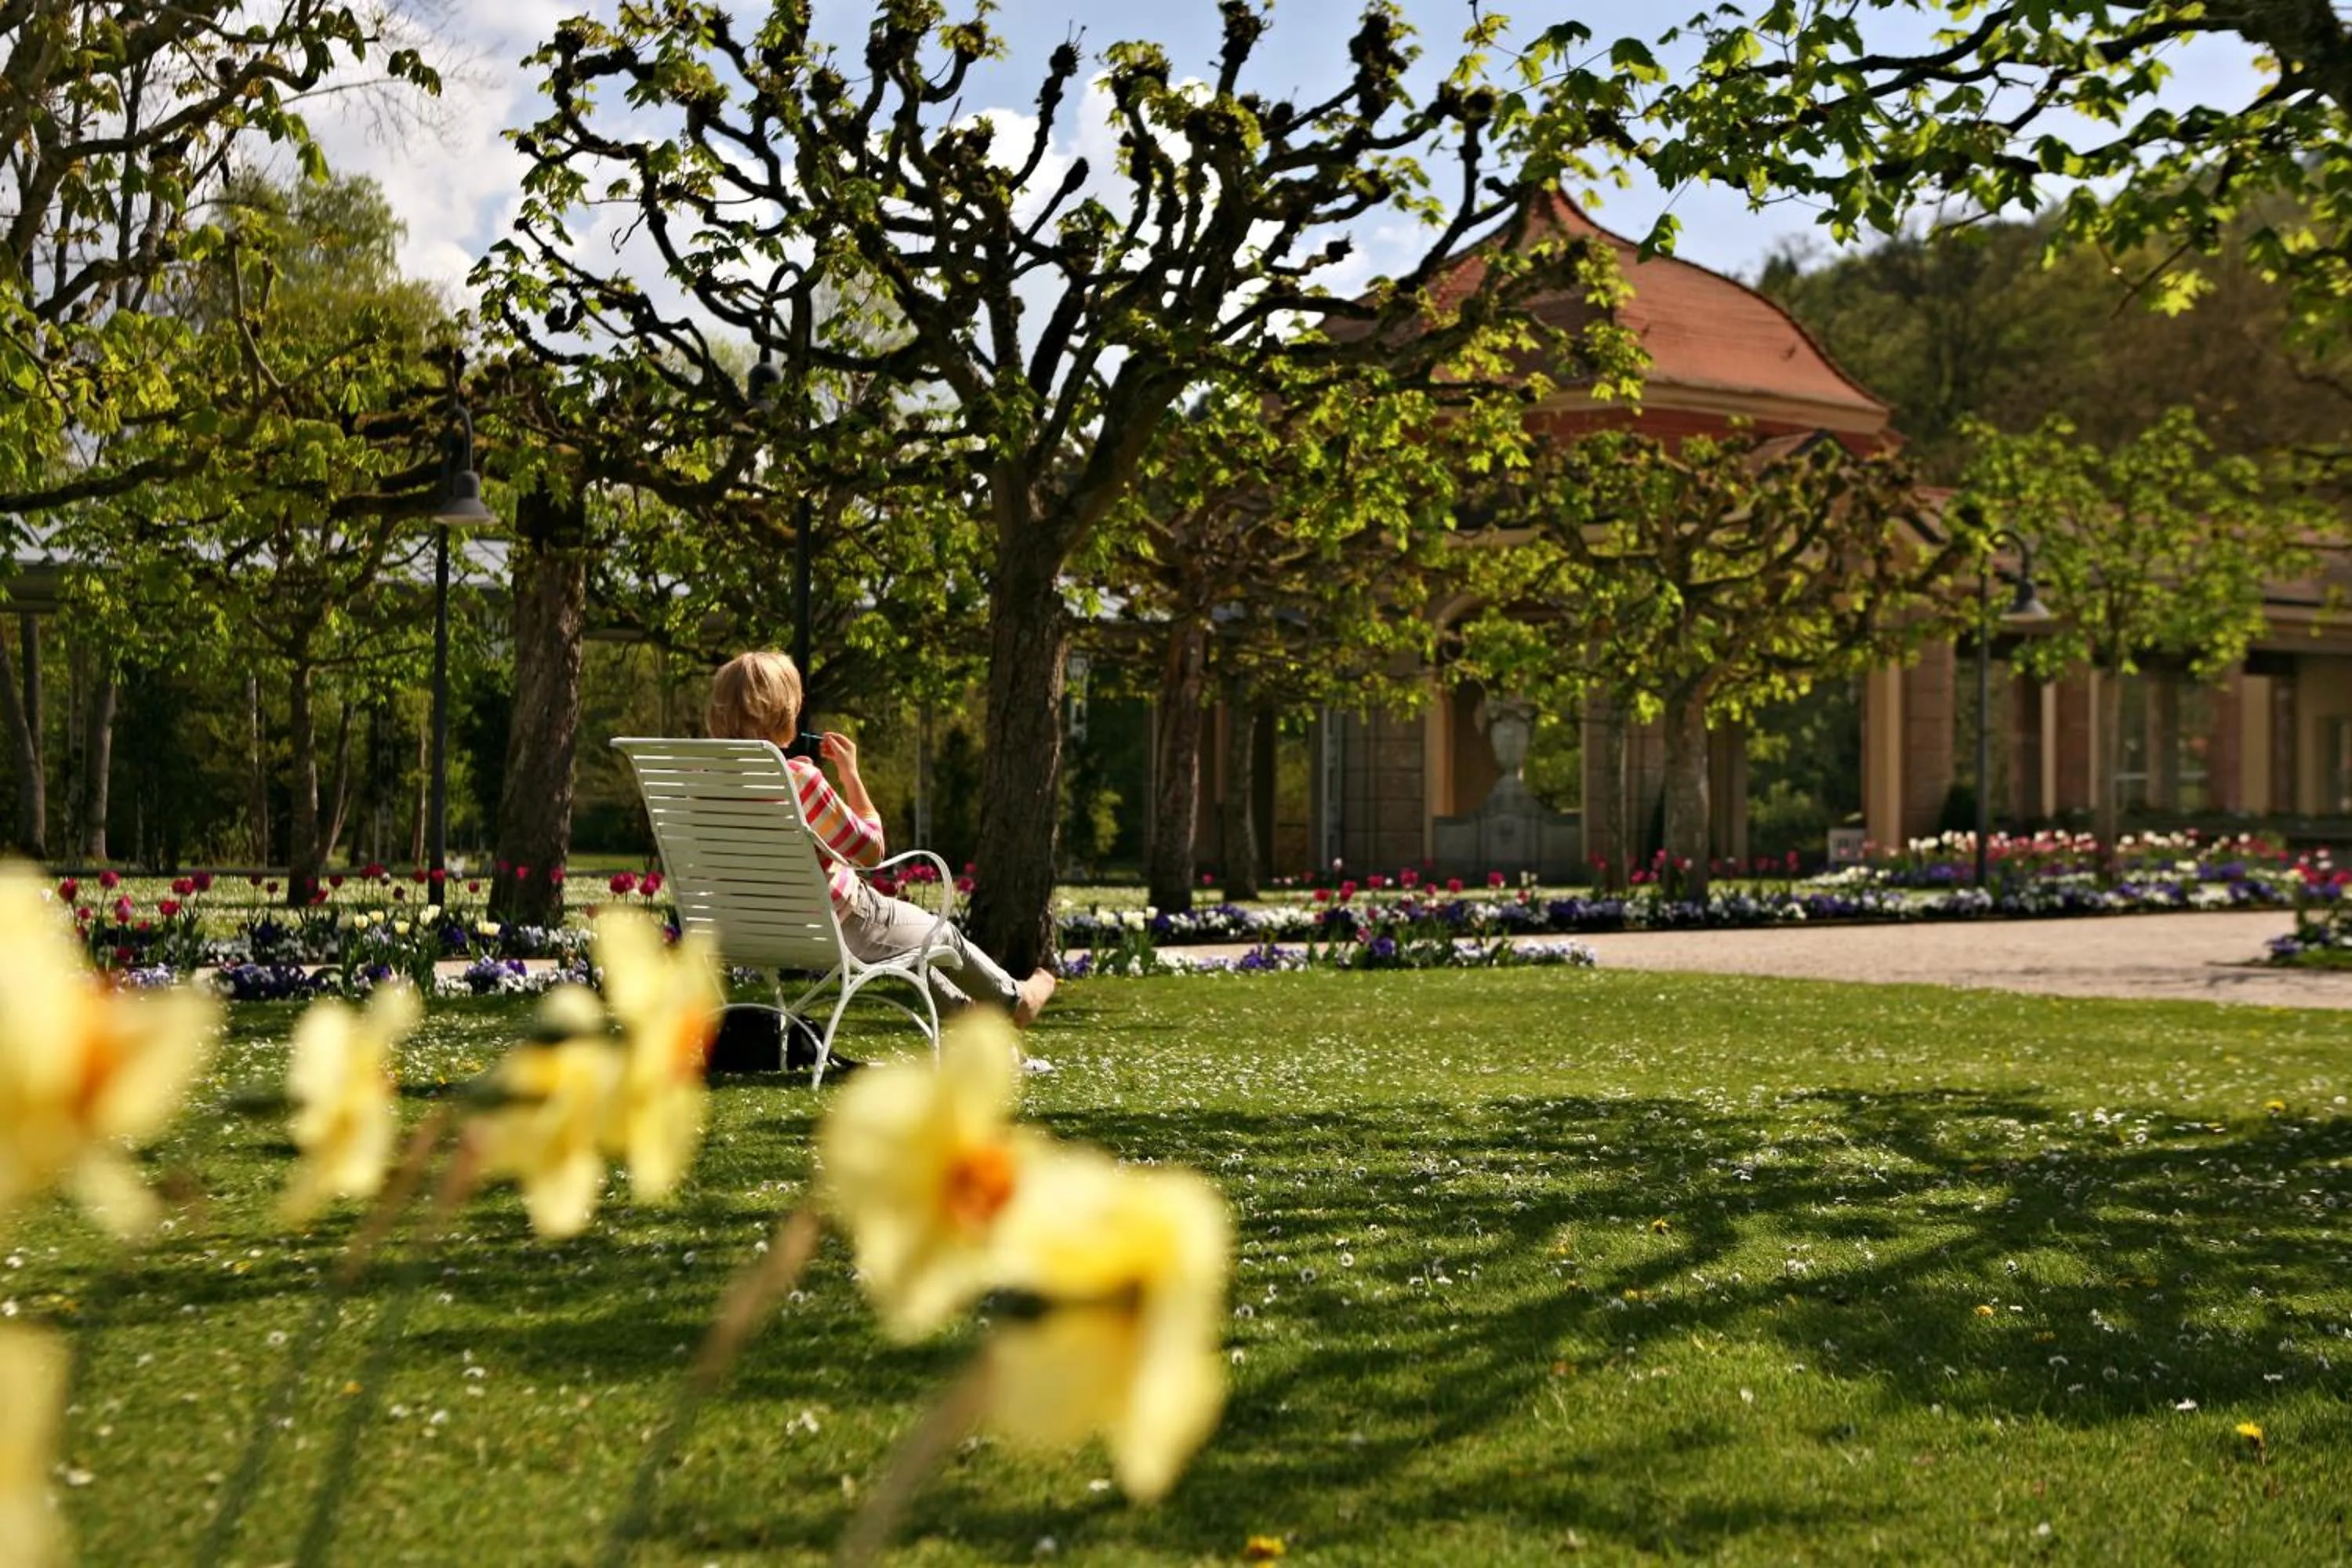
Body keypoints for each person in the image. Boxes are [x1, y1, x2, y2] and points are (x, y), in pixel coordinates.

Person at [704, 651, 1058, 1027]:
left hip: (744, 930)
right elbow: (871, 851)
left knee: (916, 950)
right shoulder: (798, 782)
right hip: (843, 922)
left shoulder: (698, 782)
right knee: (944, 935)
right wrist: (850, 776)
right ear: (784, 716)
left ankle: (970, 1021)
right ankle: (1016, 1000)